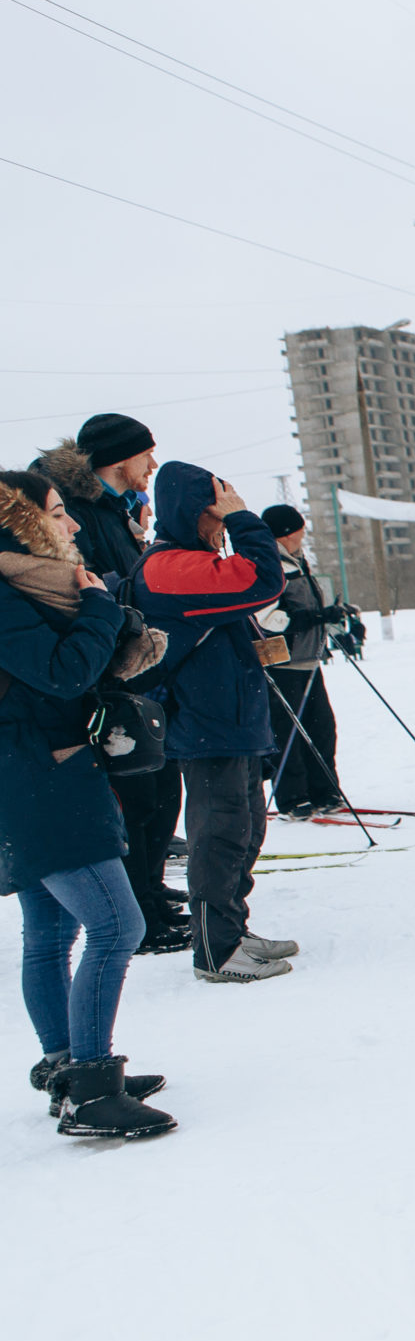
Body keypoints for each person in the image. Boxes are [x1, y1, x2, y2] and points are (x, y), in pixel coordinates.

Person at [0, 469, 175, 1138]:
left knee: (50, 930)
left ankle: (69, 1067)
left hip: (36, 768)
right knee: (116, 925)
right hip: (40, 775)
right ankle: (93, 1090)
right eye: (57, 513)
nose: (72, 523)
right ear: (24, 524)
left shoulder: (30, 588)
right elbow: (60, 671)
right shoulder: (9, 592)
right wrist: (101, 610)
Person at [132, 463, 296, 984]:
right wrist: (246, 517)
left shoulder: (196, 559)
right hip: (205, 725)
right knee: (219, 834)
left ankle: (231, 929)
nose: (222, 523)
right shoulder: (167, 565)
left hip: (230, 719)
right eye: (215, 511)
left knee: (243, 830)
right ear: (190, 510)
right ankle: (216, 949)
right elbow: (262, 580)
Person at [34, 413, 188, 955]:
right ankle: (138, 911)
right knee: (134, 795)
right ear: (121, 458)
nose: (153, 464)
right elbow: (84, 587)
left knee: (157, 786)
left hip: (127, 664)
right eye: (147, 453)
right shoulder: (74, 510)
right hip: (98, 674)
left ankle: (148, 890)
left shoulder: (113, 509)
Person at [257, 504, 350, 819]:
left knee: (322, 728)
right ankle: (293, 798)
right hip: (281, 665)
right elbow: (266, 619)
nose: (303, 535)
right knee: (289, 734)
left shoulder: (298, 562)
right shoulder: (268, 565)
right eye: (299, 530)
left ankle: (324, 792)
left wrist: (329, 614)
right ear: (285, 533)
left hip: (309, 661)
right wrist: (313, 617)